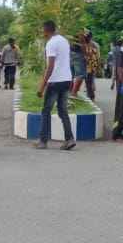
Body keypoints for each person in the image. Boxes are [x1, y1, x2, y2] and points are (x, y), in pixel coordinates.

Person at [37, 19, 75, 151]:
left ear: (47, 30)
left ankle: (43, 141)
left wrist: (42, 86)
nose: (42, 32)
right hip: (66, 79)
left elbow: (50, 66)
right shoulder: (64, 41)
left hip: (55, 81)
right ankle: (69, 139)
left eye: (43, 29)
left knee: (46, 110)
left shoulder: (51, 43)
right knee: (63, 110)